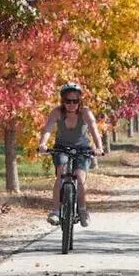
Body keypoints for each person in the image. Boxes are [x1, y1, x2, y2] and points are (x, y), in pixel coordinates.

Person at [38, 82, 104, 227]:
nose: (72, 104)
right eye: (68, 101)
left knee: (79, 177)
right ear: (63, 101)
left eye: (75, 101)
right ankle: (56, 211)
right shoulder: (57, 112)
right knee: (61, 174)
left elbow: (94, 130)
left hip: (82, 149)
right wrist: (43, 144)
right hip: (62, 148)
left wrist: (99, 147)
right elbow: (48, 129)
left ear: (80, 101)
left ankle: (83, 210)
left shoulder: (86, 113)